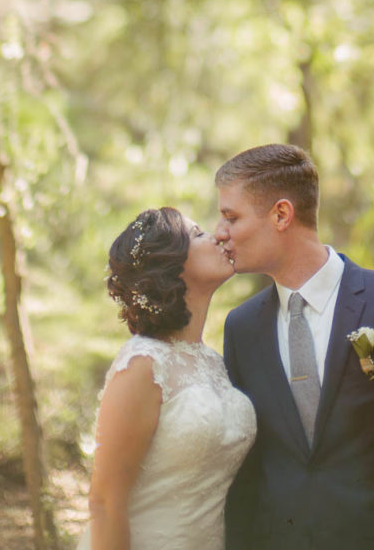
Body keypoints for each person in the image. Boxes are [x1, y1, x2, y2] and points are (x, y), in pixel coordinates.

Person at [215, 143, 374, 550]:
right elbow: (247, 471)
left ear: (281, 214)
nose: (220, 232)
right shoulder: (241, 328)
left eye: (231, 217)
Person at [81, 206, 256, 550]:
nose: (219, 236)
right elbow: (104, 503)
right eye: (199, 235)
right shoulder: (143, 364)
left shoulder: (215, 364)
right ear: (170, 264)